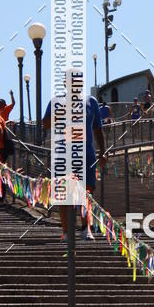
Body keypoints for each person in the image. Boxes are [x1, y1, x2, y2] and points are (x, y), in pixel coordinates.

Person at [42, 94, 106, 240]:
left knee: (86, 192)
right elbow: (45, 124)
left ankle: (86, 228)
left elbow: (98, 128)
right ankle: (66, 231)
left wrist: (103, 152)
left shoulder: (91, 101)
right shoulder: (56, 101)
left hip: (86, 153)